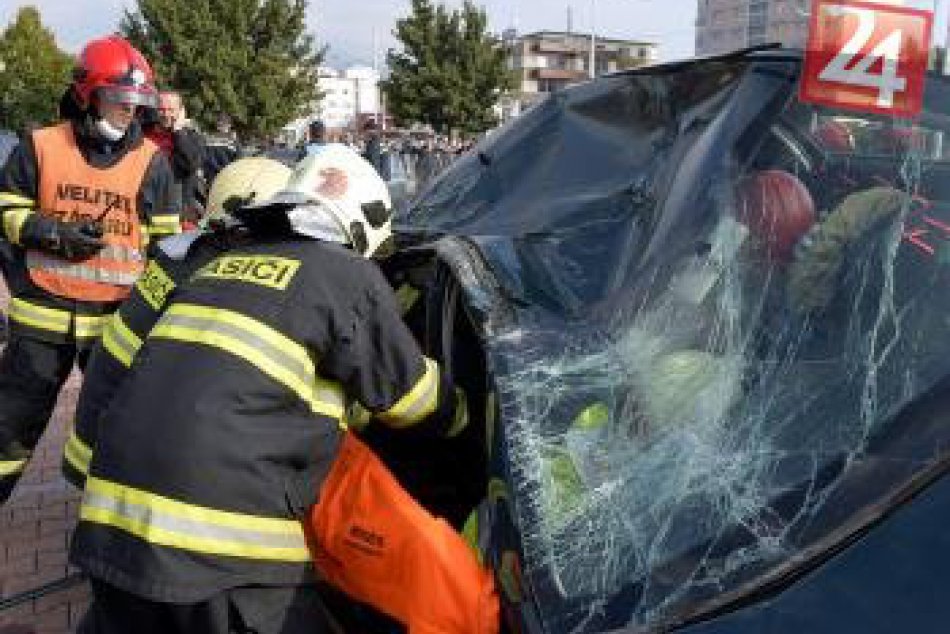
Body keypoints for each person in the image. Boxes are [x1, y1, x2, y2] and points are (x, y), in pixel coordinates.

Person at [68, 144, 499, 633]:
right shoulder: (344, 273)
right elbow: (409, 399)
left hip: (110, 533)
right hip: (219, 552)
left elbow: (253, 392)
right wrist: (474, 416)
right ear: (360, 228)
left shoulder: (214, 267)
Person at [0, 35, 179, 502]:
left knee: (115, 422)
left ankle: (107, 517)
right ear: (88, 94)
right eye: (119, 100)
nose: (129, 112)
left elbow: (165, 246)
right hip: (42, 313)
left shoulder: (151, 163)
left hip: (116, 322)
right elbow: (5, 210)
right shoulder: (39, 147)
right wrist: (51, 233)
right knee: (11, 424)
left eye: (137, 103)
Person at [143, 89, 207, 227]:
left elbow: (191, 164)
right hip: (145, 211)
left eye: (171, 110)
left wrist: (178, 131)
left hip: (179, 216)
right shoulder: (142, 134)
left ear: (181, 112)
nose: (166, 114)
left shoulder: (192, 137)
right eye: (161, 109)